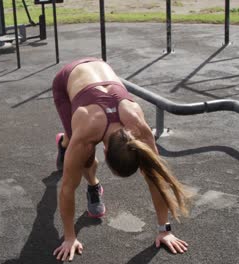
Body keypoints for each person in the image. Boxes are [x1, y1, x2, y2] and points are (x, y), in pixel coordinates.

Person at [51, 58, 190, 262]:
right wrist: (70, 238)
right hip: (66, 81)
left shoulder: (140, 129)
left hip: (99, 72)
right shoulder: (86, 133)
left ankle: (67, 142)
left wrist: (165, 229)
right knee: (85, 161)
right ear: (105, 151)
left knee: (80, 150)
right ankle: (86, 173)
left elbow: (156, 180)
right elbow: (67, 188)